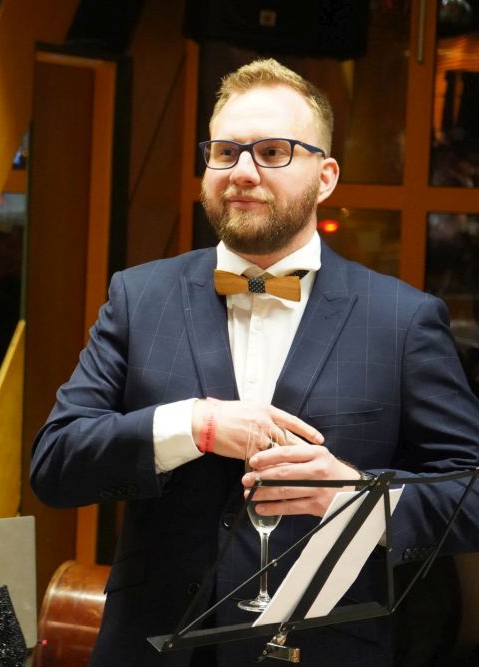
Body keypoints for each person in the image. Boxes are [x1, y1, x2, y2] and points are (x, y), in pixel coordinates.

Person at [30, 59, 479, 666]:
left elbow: (469, 493)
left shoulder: (403, 319)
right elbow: (56, 465)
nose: (242, 172)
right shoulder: (139, 297)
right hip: (151, 649)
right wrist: (194, 425)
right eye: (225, 152)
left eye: (272, 152)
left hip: (322, 650)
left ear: (325, 176)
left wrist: (355, 497)